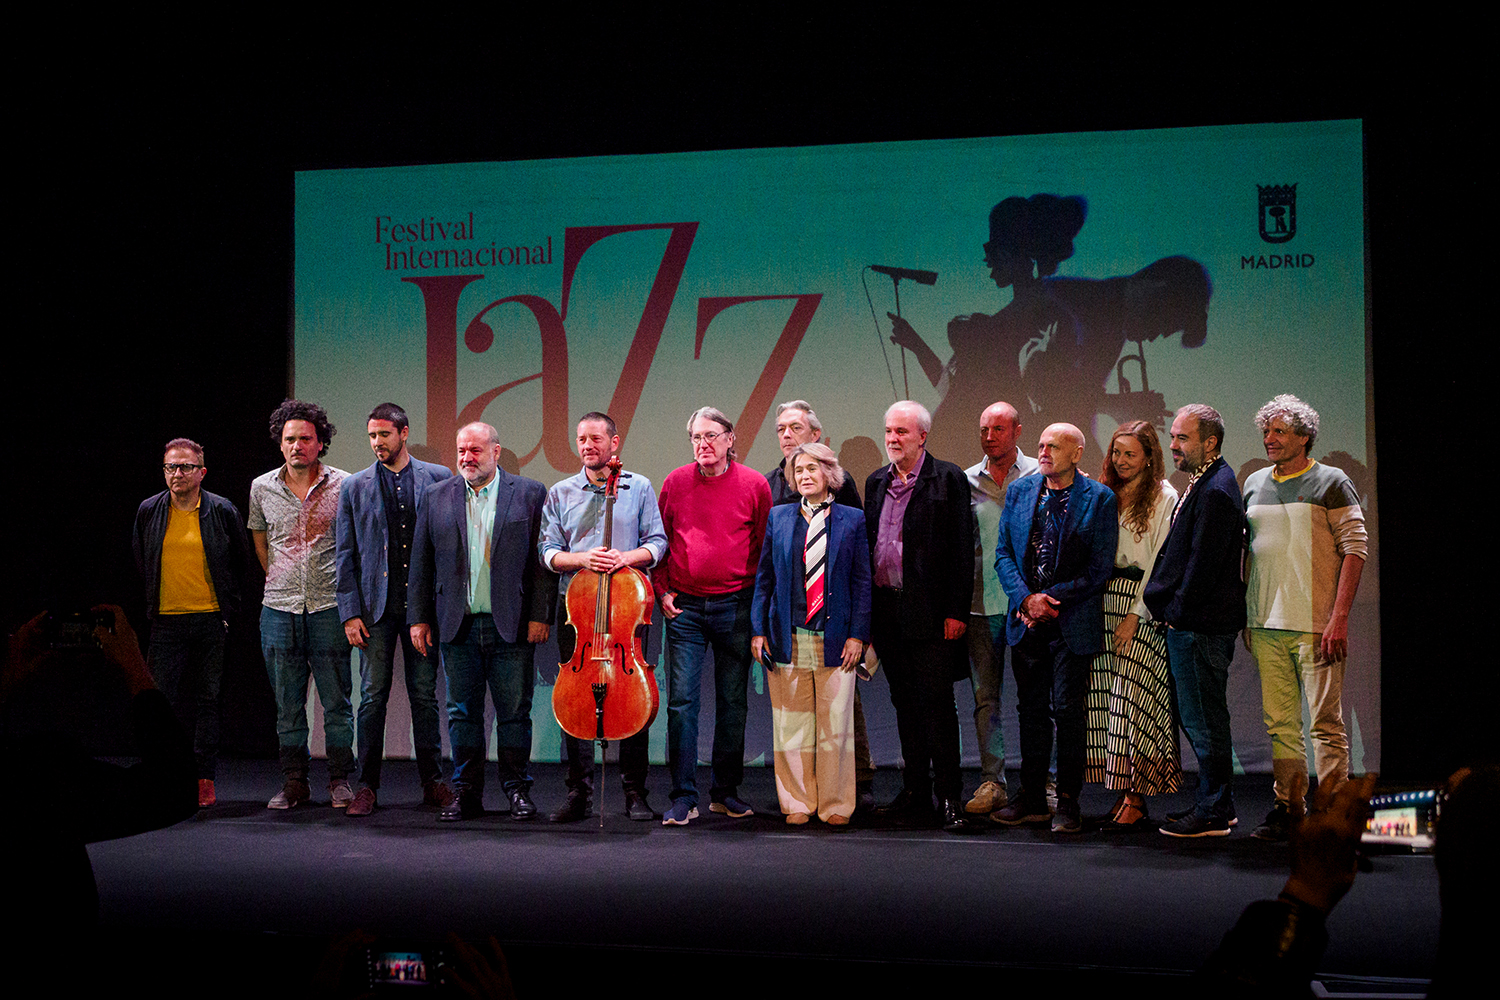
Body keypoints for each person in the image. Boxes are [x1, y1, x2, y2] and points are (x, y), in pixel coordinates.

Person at [409, 422, 555, 822]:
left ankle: (516, 791)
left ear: (496, 451)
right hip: (457, 626)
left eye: (475, 450)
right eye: (461, 451)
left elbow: (542, 566)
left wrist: (541, 616)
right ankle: (466, 793)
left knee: (513, 713)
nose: (467, 458)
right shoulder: (436, 496)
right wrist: (419, 617)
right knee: (462, 714)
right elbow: (421, 564)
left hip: (511, 625)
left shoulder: (528, 493)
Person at [1243, 395, 1367, 841]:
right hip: (1264, 623)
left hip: (1317, 623)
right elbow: (1249, 554)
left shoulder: (1331, 481)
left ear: (1304, 436)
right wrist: (1248, 614)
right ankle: (1288, 806)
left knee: (1325, 723)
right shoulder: (1254, 483)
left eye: (1279, 431)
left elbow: (1355, 549)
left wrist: (1339, 618)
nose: (1269, 438)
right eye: (1267, 430)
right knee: (1280, 724)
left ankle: (1334, 812)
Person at [540, 411, 667, 823]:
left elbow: (658, 543)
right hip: (577, 614)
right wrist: (581, 558)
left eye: (596, 438)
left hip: (626, 615)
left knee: (633, 700)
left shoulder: (639, 487)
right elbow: (547, 551)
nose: (588, 445)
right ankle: (579, 792)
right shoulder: (560, 492)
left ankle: (634, 792)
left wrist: (624, 558)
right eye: (582, 438)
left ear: (614, 444)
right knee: (575, 701)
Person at [992, 423, 1117, 833]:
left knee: (1067, 710)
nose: (1043, 452)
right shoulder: (1020, 491)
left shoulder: (1099, 499)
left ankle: (1067, 800)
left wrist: (1048, 600)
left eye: (1054, 446)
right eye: (1041, 445)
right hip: (1027, 620)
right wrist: (1026, 599)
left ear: (1077, 453)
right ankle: (1031, 797)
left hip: (1071, 622)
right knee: (1030, 711)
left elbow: (1098, 570)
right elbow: (1004, 554)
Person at [334, 403, 454, 817]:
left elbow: (446, 547)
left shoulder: (437, 478)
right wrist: (349, 612)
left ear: (404, 433)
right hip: (374, 610)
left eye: (384, 435)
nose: (377, 443)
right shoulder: (355, 486)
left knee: (424, 696)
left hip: (422, 609)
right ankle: (366, 786)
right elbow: (344, 553)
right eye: (371, 436)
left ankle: (433, 782)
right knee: (372, 697)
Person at [654, 406, 771, 826]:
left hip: (735, 607)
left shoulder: (755, 485)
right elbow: (660, 542)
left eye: (710, 436)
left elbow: (764, 549)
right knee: (682, 704)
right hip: (683, 607)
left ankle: (724, 792)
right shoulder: (675, 482)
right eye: (695, 438)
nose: (702, 445)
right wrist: (662, 591)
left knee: (733, 703)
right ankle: (683, 796)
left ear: (729, 438)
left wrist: (757, 608)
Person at [865, 400, 974, 832]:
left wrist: (955, 611)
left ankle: (949, 797)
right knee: (904, 704)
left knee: (937, 706)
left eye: (902, 432)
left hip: (931, 613)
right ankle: (915, 791)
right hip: (888, 610)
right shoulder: (875, 482)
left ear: (922, 435)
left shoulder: (946, 478)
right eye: (889, 431)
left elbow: (963, 550)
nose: (892, 439)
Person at [751, 442, 872, 826]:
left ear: (829, 474)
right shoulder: (779, 516)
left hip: (836, 637)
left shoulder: (852, 518)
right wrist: (758, 630)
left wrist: (858, 634)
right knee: (791, 727)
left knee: (835, 725)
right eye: (798, 470)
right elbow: (765, 578)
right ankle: (797, 803)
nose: (804, 475)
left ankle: (836, 804)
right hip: (787, 635)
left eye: (812, 469)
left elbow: (862, 581)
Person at [1144, 404, 1247, 838]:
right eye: (1174, 436)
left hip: (1199, 626)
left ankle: (1214, 810)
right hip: (1192, 622)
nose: (1173, 445)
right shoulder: (1204, 483)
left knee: (1204, 720)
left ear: (1211, 442)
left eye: (1182, 438)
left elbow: (1202, 567)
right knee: (1200, 717)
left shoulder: (1217, 490)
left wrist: (1175, 616)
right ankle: (1214, 802)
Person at [132, 437, 249, 809]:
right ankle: (159, 772)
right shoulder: (150, 510)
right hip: (166, 621)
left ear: (202, 472)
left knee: (207, 701)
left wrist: (227, 609)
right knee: (158, 701)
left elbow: (240, 562)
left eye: (185, 467)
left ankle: (203, 778)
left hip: (210, 621)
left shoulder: (222, 510)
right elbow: (141, 557)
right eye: (170, 467)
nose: (176, 474)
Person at [248, 400, 354, 810]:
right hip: (278, 609)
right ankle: (295, 782)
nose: (297, 446)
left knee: (337, 704)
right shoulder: (262, 487)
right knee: (288, 706)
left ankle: (340, 780)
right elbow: (260, 540)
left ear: (320, 442)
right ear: (280, 443)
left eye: (306, 439)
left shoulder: (344, 484)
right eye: (290, 439)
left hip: (329, 608)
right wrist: (281, 578)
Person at [1084, 420, 1181, 829]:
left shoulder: (1163, 495)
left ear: (1149, 457)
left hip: (1139, 604)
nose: (1121, 461)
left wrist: (1135, 614)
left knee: (1135, 702)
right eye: (1117, 453)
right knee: (1110, 702)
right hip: (1103, 600)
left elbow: (1160, 559)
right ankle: (1126, 794)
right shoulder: (1106, 493)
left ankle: (1138, 798)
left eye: (1131, 454)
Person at [962, 402, 1038, 815]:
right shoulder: (966, 481)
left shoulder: (1040, 475)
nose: (990, 435)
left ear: (1017, 431)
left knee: (1035, 700)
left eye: (999, 428)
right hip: (980, 605)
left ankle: (1041, 780)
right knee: (985, 699)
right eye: (984, 428)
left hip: (1028, 605)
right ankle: (993, 782)